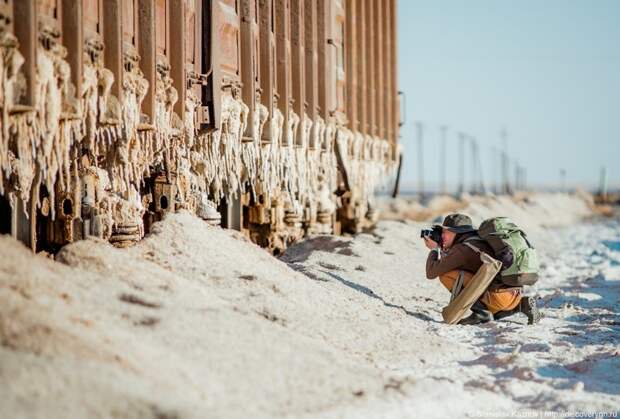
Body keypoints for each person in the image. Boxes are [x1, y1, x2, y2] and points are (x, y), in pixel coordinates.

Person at [424, 213, 541, 325]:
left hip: (497, 299)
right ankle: (522, 305)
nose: (442, 236)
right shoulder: (479, 241)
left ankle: (481, 313)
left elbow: (431, 272)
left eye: (446, 232)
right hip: (514, 296)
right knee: (490, 297)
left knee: (446, 274)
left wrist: (434, 249)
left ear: (457, 232)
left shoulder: (463, 249)